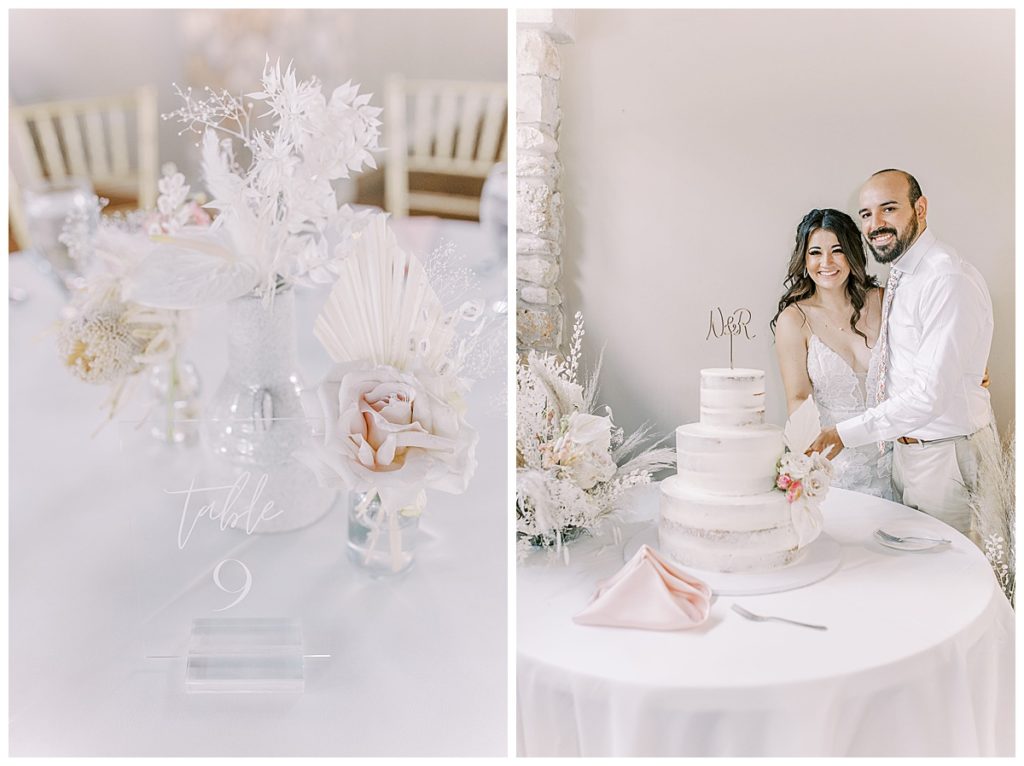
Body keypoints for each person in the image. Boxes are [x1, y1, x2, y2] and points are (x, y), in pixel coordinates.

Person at [808, 169, 995, 538]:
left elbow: (930, 393)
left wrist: (844, 433)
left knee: (947, 576)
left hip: (944, 458)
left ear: (920, 208)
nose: (875, 224)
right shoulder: (902, 273)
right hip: (904, 454)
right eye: (866, 214)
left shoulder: (945, 278)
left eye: (888, 209)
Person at [772, 208, 891, 498]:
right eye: (815, 252)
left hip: (895, 455)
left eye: (837, 250)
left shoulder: (885, 300)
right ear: (804, 258)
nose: (826, 262)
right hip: (837, 465)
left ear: (853, 253)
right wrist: (810, 460)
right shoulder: (794, 319)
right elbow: (798, 398)